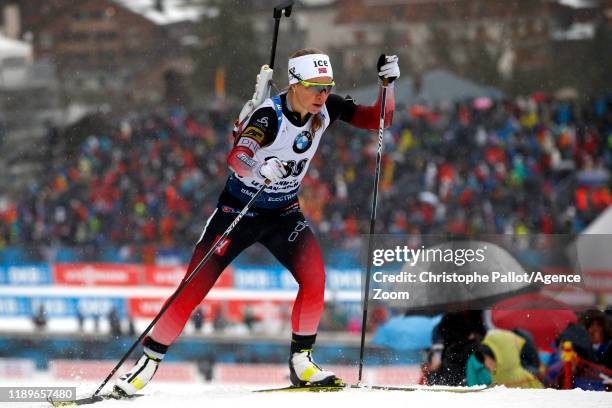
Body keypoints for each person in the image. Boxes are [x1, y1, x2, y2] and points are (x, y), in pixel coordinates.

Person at [114, 48, 400, 395]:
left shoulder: (327, 107)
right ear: (294, 84)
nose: (321, 96)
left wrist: (387, 85)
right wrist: (258, 168)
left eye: (327, 87)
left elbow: (377, 120)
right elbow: (237, 157)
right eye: (314, 87)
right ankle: (147, 363)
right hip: (240, 210)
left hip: (283, 212)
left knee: (315, 279)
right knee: (195, 286)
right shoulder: (268, 116)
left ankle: (302, 362)